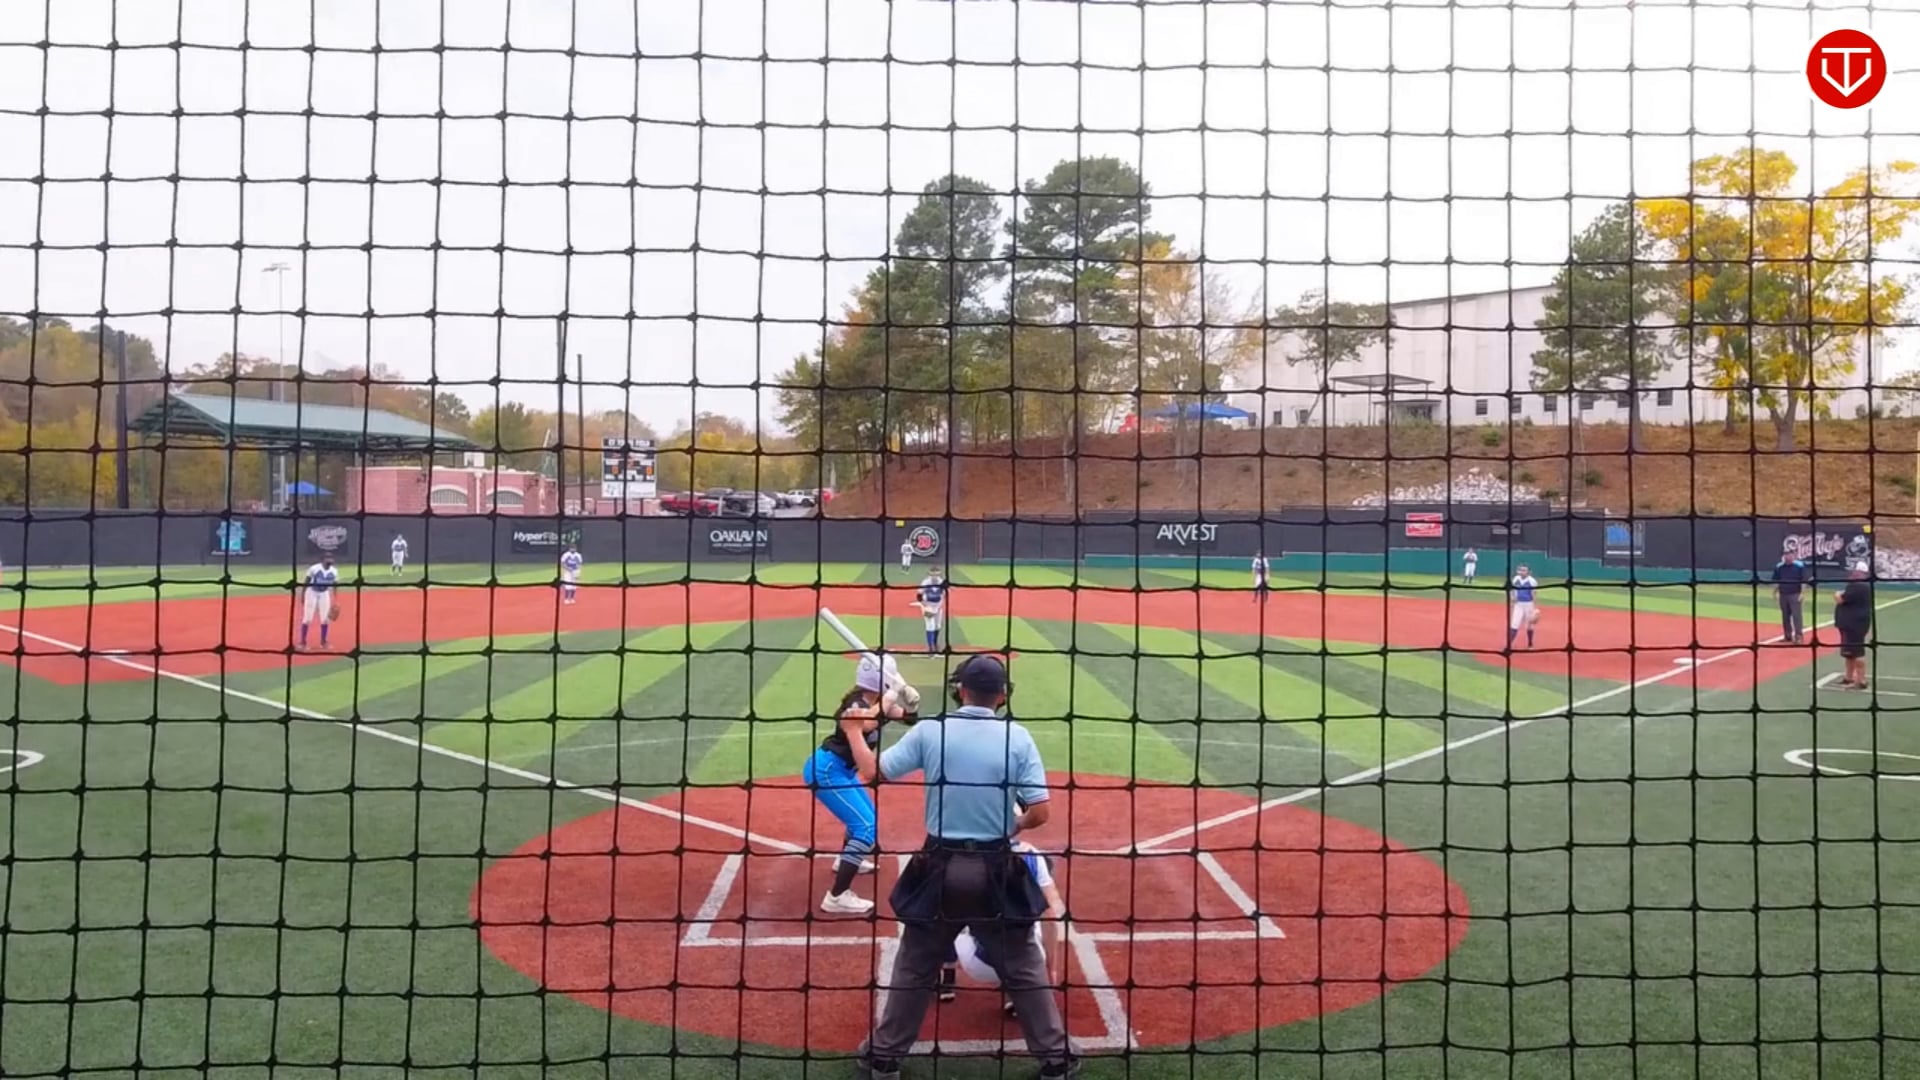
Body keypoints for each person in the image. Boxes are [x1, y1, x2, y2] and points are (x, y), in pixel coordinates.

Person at [837, 654, 1077, 1080]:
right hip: (997, 870)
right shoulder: (1018, 737)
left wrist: (854, 731)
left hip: (938, 868)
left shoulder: (932, 730)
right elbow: (1040, 813)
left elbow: (870, 774)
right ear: (1002, 696)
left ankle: (884, 1057)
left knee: (915, 965)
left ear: (960, 690)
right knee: (1023, 966)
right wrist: (1014, 824)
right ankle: (1056, 1059)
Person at [806, 653, 920, 914]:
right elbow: (866, 723)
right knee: (866, 828)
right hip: (827, 771)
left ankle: (844, 860)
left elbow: (908, 719)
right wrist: (892, 695)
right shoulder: (855, 705)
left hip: (842, 771)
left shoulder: (877, 702)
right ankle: (836, 897)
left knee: (867, 818)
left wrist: (912, 704)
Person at [938, 839, 1066, 1017]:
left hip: (978, 965)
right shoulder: (1030, 854)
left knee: (944, 906)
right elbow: (1050, 916)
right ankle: (1017, 991)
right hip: (1027, 962)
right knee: (1035, 918)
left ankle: (947, 971)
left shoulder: (962, 850)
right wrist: (1051, 970)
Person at [1833, 560, 1874, 689]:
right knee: (1849, 653)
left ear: (1859, 573)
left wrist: (1837, 594)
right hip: (1851, 624)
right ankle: (1848, 677)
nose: (1851, 573)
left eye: (1854, 571)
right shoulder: (1861, 585)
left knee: (1856, 653)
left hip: (1853, 625)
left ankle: (1861, 680)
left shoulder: (1858, 586)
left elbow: (1840, 599)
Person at [297, 552, 339, 652]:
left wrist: (336, 599)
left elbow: (335, 585)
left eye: (331, 558)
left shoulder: (334, 571)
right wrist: (303, 595)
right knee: (308, 618)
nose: (330, 560)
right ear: (322, 559)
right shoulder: (314, 569)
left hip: (324, 593)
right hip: (311, 592)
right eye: (327, 558)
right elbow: (306, 582)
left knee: (325, 619)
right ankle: (302, 642)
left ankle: (323, 642)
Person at [1771, 549, 1807, 644]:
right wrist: (1774, 592)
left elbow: (1803, 580)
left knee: (1796, 616)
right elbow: (1776, 580)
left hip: (1795, 594)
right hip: (1783, 594)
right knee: (1785, 616)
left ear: (1793, 555)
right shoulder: (1779, 567)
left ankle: (1799, 637)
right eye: (1786, 554)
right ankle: (1787, 636)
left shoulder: (1799, 566)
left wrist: (1802, 593)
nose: (1788, 556)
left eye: (1790, 554)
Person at [1507, 563, 1540, 650]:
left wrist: (1535, 608)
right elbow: (1512, 590)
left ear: (1528, 572)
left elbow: (1534, 594)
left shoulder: (1532, 581)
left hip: (1529, 604)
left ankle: (1530, 644)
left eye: (1524, 570)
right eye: (1521, 570)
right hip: (1518, 604)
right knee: (1514, 624)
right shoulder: (1516, 579)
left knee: (1529, 625)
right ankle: (1509, 645)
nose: (1522, 572)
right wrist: (1512, 598)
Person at [915, 570, 947, 653]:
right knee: (930, 626)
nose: (934, 577)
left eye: (936, 575)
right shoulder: (925, 583)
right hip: (928, 606)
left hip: (938, 607)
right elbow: (919, 595)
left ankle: (935, 643)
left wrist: (939, 606)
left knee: (938, 626)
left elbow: (944, 595)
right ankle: (930, 647)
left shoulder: (941, 582)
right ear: (929, 575)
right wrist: (924, 605)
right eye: (933, 575)